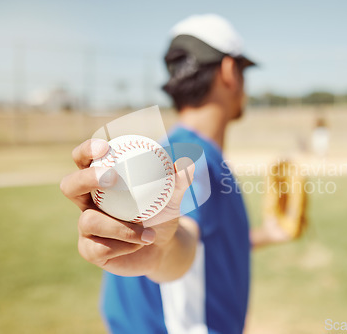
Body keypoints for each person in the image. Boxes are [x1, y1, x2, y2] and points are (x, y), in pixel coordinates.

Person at [60, 14, 293, 333]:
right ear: (229, 72)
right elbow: (180, 238)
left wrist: (268, 234)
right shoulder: (191, 161)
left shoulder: (172, 150)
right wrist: (160, 251)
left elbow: (202, 242)